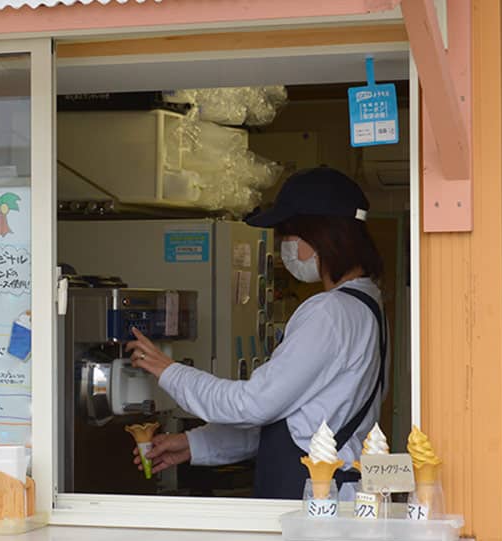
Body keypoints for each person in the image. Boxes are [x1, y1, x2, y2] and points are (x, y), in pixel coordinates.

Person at [126, 167, 388, 499]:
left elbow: (254, 404)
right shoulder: (367, 307)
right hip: (331, 494)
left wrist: (168, 371)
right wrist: (194, 444)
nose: (284, 246)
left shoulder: (331, 312)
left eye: (287, 235)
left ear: (321, 233)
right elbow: (292, 421)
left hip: (315, 501)